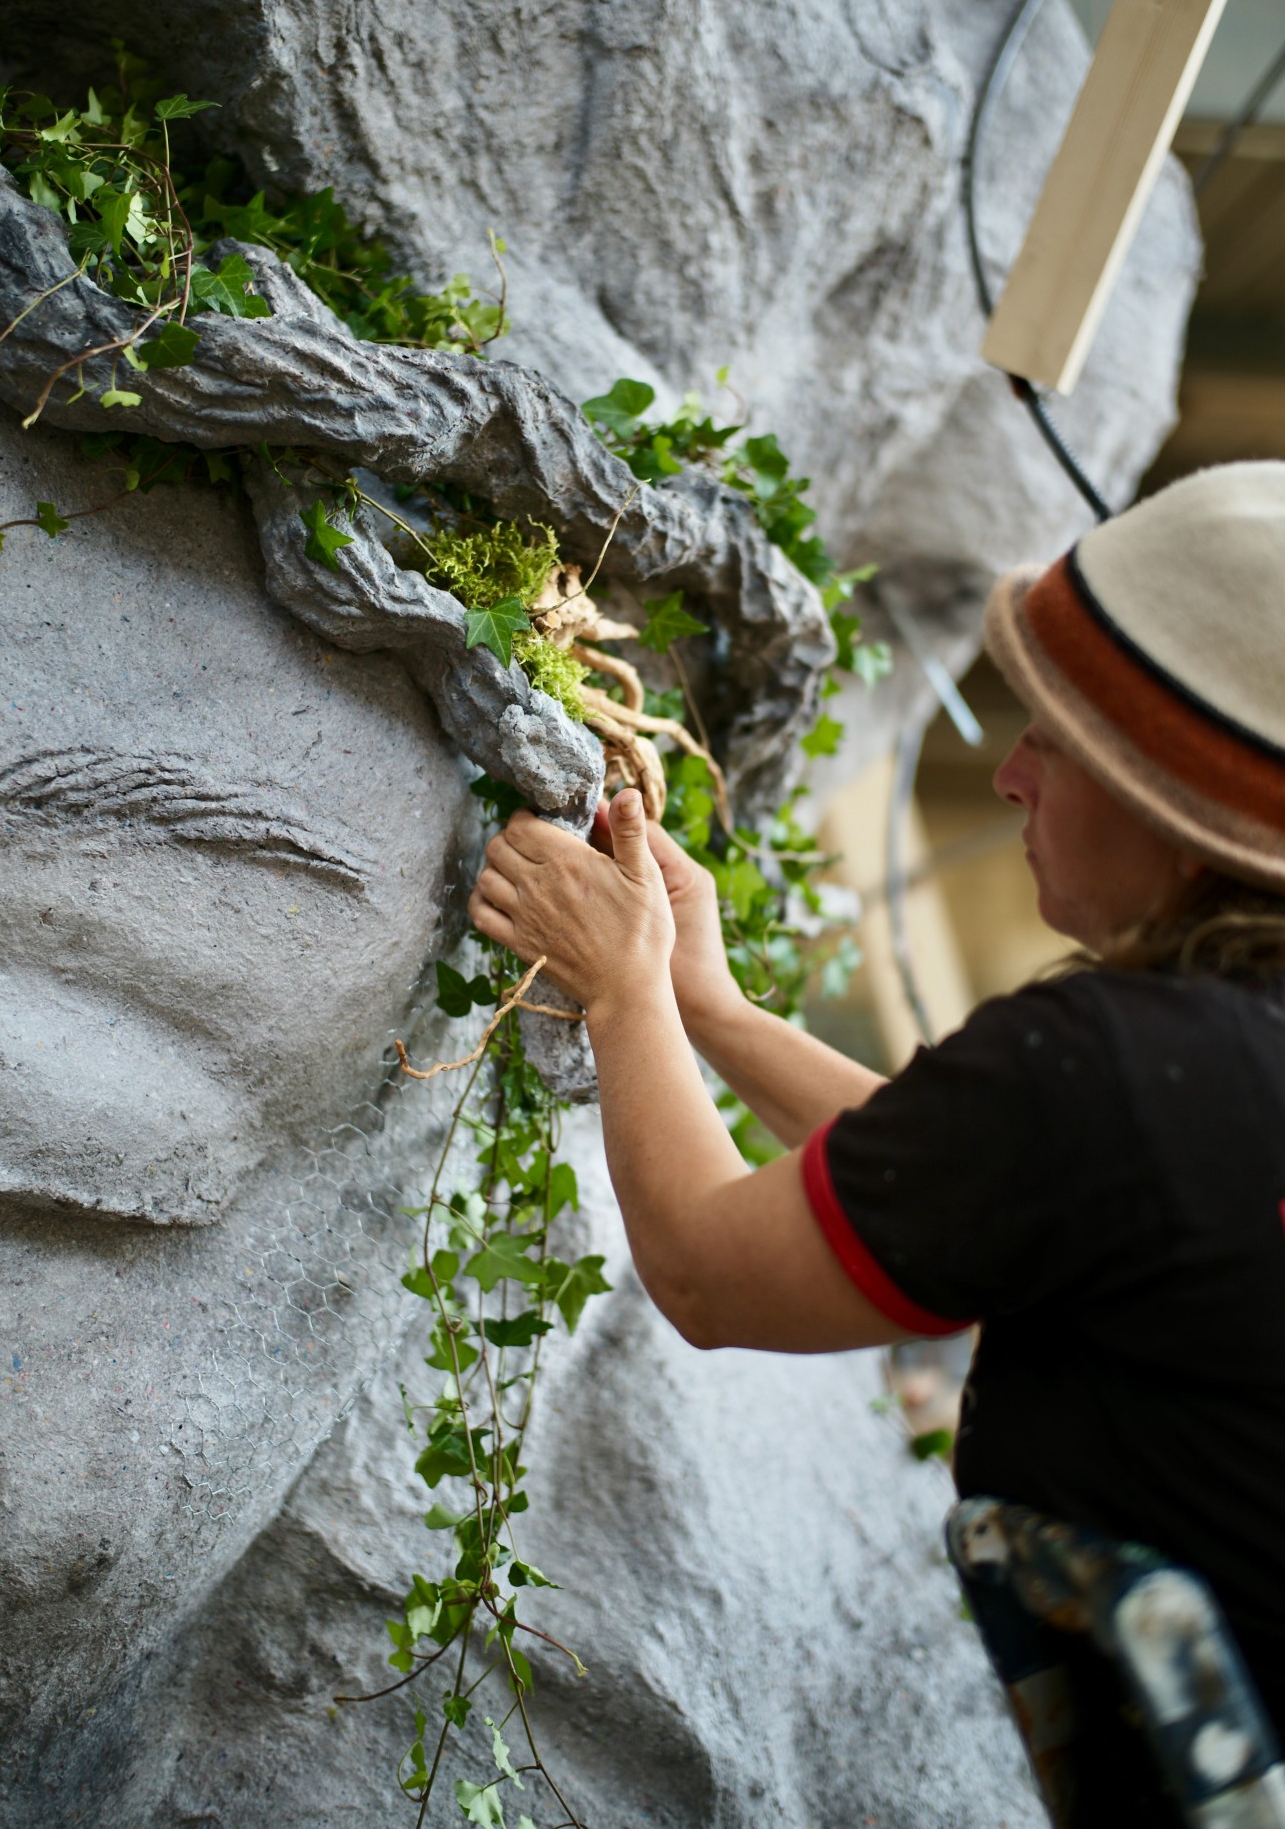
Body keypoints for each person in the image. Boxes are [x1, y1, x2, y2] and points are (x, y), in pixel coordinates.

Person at [470, 460, 1285, 1786]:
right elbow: (987, 1176)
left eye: (1056, 740)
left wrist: (621, 991)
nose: (1012, 775)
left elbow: (705, 1265)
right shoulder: (1214, 1065)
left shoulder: (1115, 1069)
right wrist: (709, 1009)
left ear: (1173, 800)